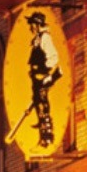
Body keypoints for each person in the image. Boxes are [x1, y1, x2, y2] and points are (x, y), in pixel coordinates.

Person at [26, 11, 61, 148]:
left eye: (32, 24)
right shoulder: (37, 39)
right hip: (36, 78)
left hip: (41, 78)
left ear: (37, 24)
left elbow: (53, 57)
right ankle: (42, 133)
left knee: (42, 104)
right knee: (38, 101)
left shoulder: (45, 38)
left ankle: (46, 137)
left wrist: (43, 71)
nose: (30, 27)